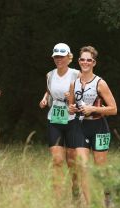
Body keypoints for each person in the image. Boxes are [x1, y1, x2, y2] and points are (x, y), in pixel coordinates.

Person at [69, 46, 117, 206]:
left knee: (100, 166)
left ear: (94, 62)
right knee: (82, 166)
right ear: (79, 61)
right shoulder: (73, 83)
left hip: (99, 128)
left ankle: (108, 197)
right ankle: (90, 206)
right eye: (82, 59)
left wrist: (94, 109)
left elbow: (114, 109)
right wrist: (72, 108)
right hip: (80, 127)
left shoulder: (100, 83)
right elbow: (71, 106)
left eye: (89, 60)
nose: (85, 62)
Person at [39, 43, 80, 200]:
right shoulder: (50, 74)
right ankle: (56, 199)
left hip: (72, 120)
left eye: (62, 56)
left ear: (69, 57)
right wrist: (44, 98)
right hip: (54, 118)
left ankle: (75, 190)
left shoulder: (76, 74)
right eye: (56, 56)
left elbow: (85, 90)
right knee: (57, 160)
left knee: (71, 160)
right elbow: (49, 90)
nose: (59, 59)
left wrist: (72, 97)